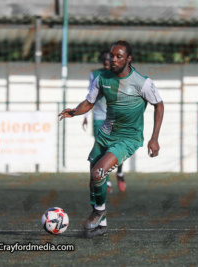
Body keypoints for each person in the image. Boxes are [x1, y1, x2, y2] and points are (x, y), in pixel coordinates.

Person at [59, 40, 164, 238]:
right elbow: (89, 103)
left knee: (99, 173)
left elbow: (159, 105)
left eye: (119, 56)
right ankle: (102, 225)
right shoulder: (102, 79)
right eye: (112, 56)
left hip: (127, 138)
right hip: (105, 135)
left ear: (129, 59)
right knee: (93, 176)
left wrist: (154, 138)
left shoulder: (143, 83)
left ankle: (98, 212)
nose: (113, 60)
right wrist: (74, 112)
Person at [82, 50, 126, 193]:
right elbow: (90, 96)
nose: (108, 63)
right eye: (106, 61)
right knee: (101, 149)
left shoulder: (122, 74)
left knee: (117, 147)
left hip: (116, 117)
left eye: (111, 60)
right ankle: (105, 181)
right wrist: (85, 116)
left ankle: (119, 172)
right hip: (99, 117)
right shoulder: (95, 75)